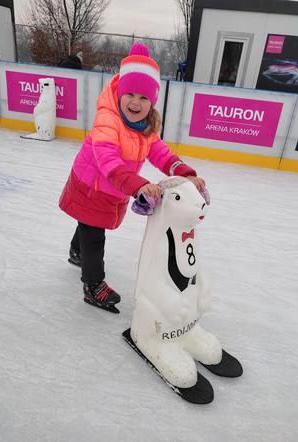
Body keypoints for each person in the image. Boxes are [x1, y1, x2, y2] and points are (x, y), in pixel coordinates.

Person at [59, 43, 206, 313]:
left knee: (87, 224)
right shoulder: (108, 119)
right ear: (120, 93)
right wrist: (140, 185)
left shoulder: (146, 126)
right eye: (130, 94)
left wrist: (184, 172)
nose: (136, 102)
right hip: (91, 184)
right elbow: (109, 163)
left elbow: (161, 154)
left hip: (110, 187)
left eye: (144, 97)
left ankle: (76, 252)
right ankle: (93, 285)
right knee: (94, 233)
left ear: (152, 102)